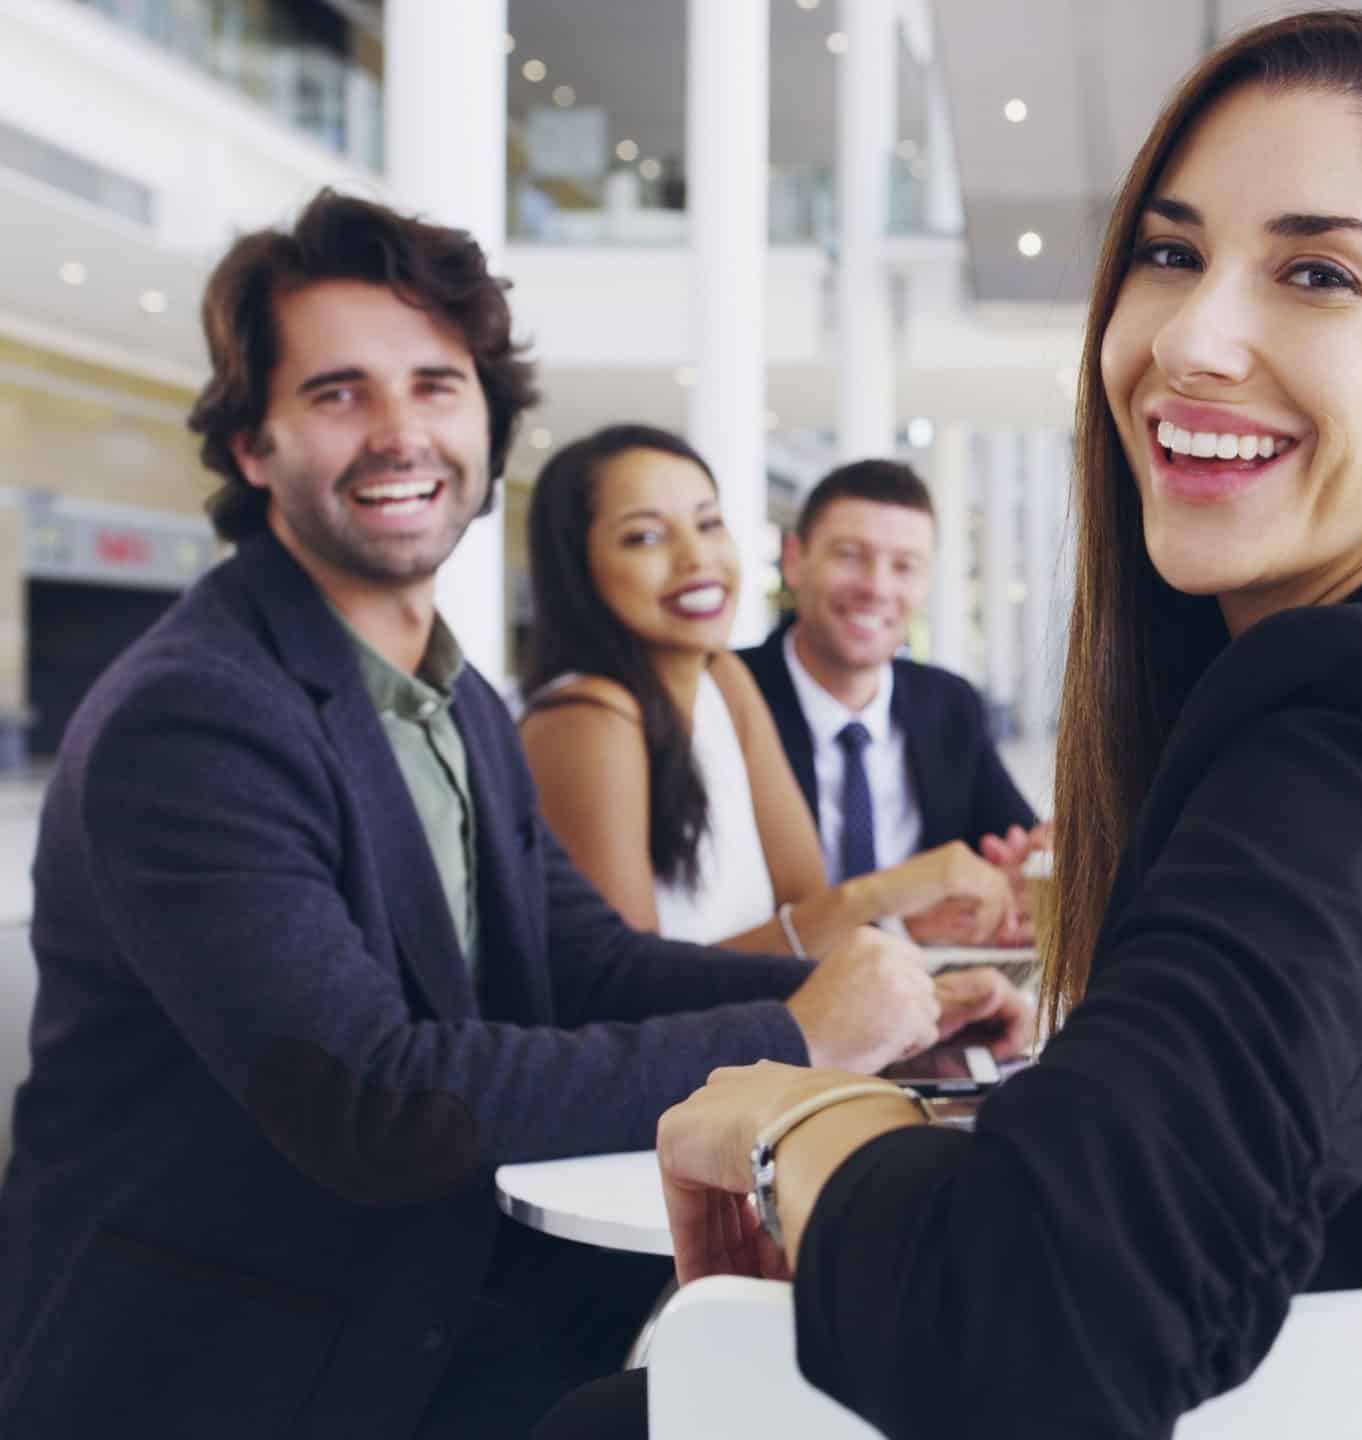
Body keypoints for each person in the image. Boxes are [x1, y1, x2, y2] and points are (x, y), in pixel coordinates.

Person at [544, 11, 1362, 1438]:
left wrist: (803, 1125)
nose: (1192, 339)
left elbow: (1044, 1319)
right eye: (1169, 253)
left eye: (1318, 274)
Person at [0, 190, 1026, 1440]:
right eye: (338, 394)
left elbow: (578, 960)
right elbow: (373, 1101)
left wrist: (895, 1013)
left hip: (435, 1311)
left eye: (435, 386)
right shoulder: (196, 720)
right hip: (235, 1367)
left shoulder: (453, 694)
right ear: (253, 446)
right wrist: (798, 1035)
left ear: (487, 420)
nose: (397, 434)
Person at [516, 425, 1022, 959]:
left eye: (708, 524)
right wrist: (887, 891)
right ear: (579, 568)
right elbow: (630, 992)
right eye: (645, 536)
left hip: (776, 1027)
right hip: (716, 1041)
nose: (697, 557)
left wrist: (911, 946)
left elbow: (807, 913)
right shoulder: (588, 719)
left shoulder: (723, 679)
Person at [737, 460, 1045, 944]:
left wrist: (1034, 857)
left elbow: (1012, 843)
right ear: (794, 560)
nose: (877, 588)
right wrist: (895, 925)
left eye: (904, 566)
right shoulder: (730, 695)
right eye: (849, 556)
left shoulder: (948, 702)